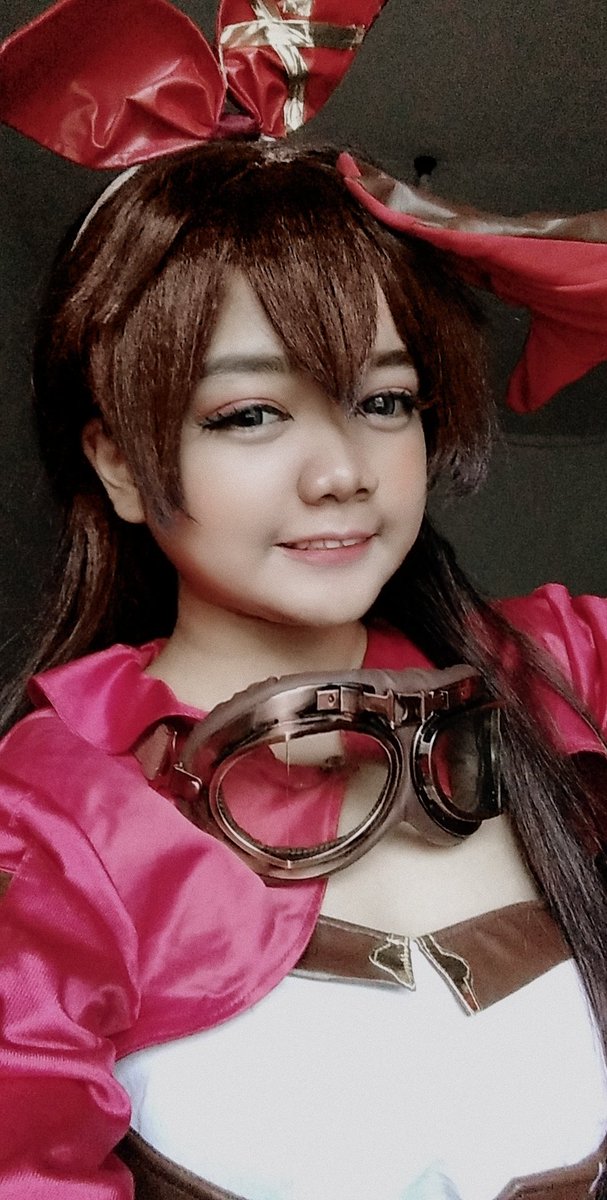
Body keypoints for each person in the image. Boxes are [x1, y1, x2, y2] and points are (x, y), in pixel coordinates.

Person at [0, 3, 606, 1199]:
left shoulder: (563, 670)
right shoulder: (57, 817)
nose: (341, 472)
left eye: (383, 401)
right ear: (116, 463)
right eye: (249, 413)